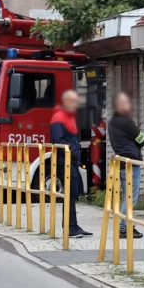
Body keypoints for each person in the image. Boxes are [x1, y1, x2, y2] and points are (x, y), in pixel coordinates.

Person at [49, 90, 92, 238]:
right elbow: (58, 141)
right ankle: (70, 227)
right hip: (64, 162)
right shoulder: (59, 118)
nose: (76, 105)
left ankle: (72, 225)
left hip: (71, 161)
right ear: (65, 102)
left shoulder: (68, 117)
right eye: (73, 101)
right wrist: (73, 152)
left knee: (73, 193)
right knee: (70, 194)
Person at [107, 91, 144, 239]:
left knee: (126, 197)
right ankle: (123, 228)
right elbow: (142, 140)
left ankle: (128, 225)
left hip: (121, 164)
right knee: (131, 198)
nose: (128, 106)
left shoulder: (112, 123)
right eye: (125, 103)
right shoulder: (127, 122)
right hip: (132, 164)